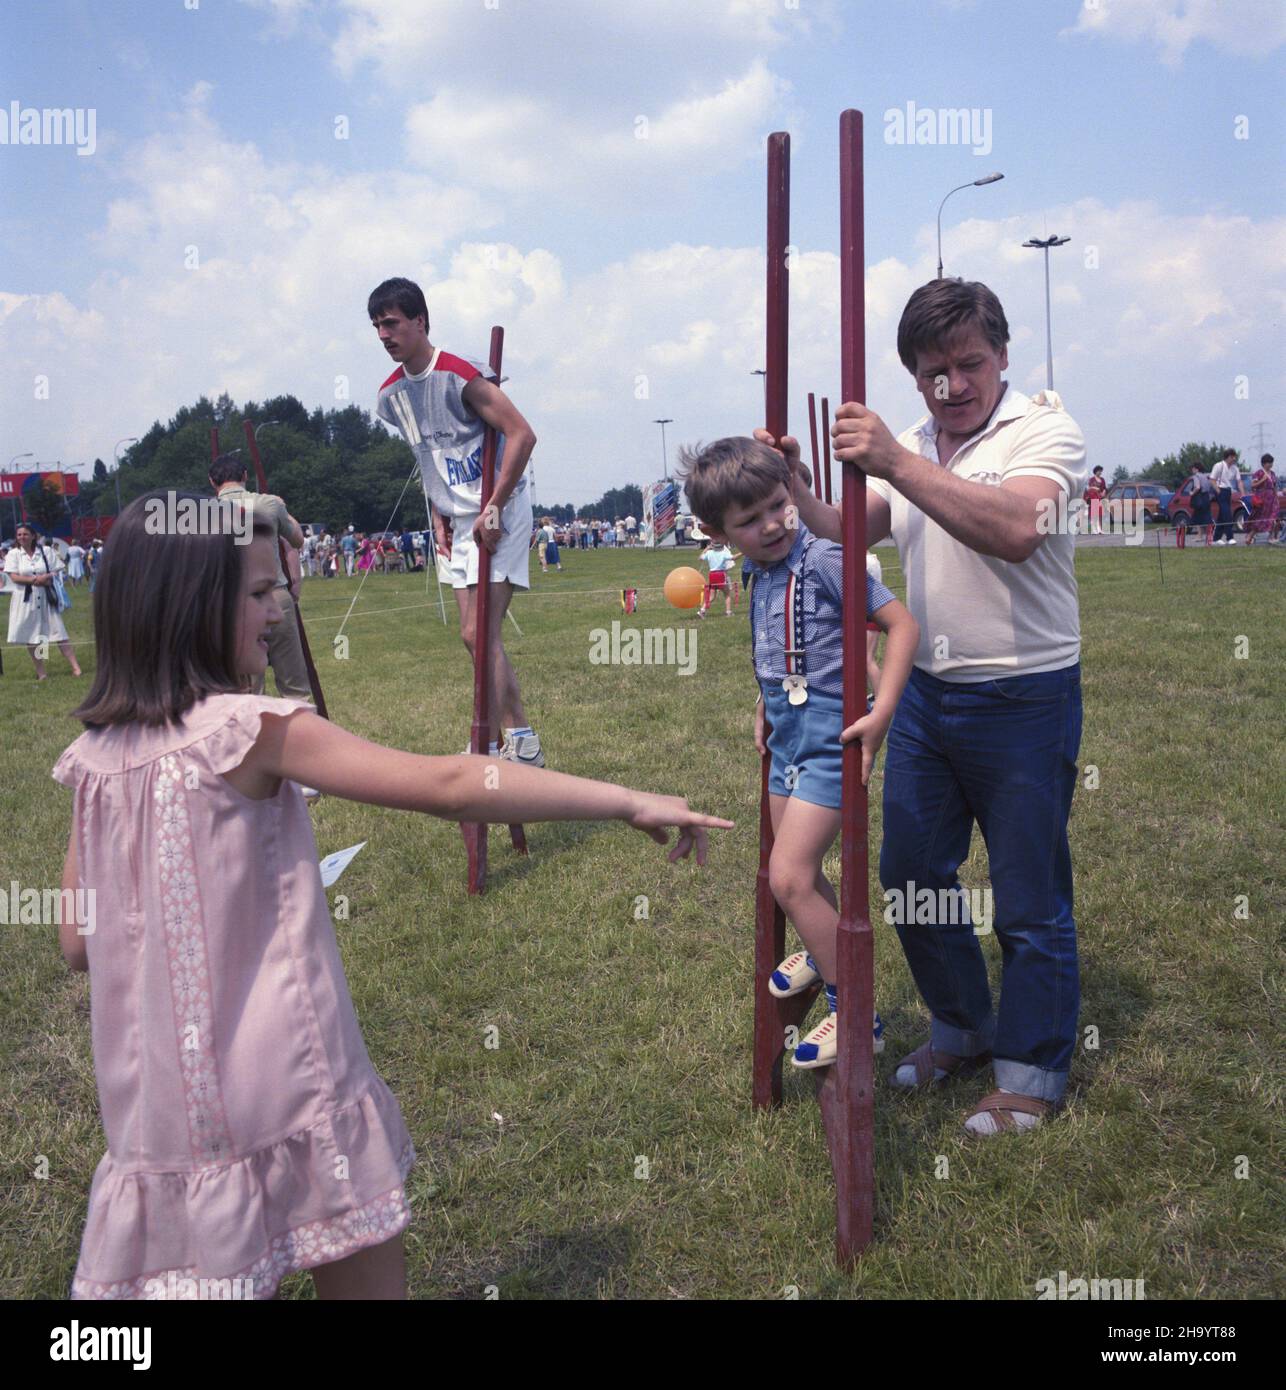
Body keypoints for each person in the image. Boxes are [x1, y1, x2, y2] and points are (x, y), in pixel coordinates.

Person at [51, 493, 733, 1301]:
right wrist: (624, 799)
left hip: (164, 1116)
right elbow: (452, 782)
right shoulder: (252, 727)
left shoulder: (93, 761)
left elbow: (76, 942)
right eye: (261, 593)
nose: (280, 611)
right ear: (188, 606)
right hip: (291, 1084)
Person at [764, 277, 1089, 1135]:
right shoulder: (911, 443)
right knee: (908, 878)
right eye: (933, 372)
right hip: (926, 699)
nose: (953, 386)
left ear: (1002, 354)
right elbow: (848, 529)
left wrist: (898, 463)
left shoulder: (1044, 429)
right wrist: (800, 488)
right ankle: (962, 1028)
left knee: (1027, 894)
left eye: (969, 363)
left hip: (1025, 691)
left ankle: (1034, 1067)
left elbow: (1019, 530)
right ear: (914, 377)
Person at [679, 438, 918, 1070]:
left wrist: (882, 710)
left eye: (779, 505)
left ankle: (857, 1010)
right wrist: (767, 699)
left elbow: (902, 627)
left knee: (788, 875)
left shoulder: (829, 560)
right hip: (787, 737)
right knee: (800, 877)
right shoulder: (758, 571)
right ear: (715, 533)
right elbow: (790, 642)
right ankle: (822, 950)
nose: (772, 524)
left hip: (830, 743)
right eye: (749, 520)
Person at [370, 277, 543, 766]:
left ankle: (512, 740)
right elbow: (429, 457)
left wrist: (494, 505)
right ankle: (507, 740)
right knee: (473, 635)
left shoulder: (461, 374)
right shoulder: (390, 398)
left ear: (420, 321)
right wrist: (437, 511)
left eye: (392, 323)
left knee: (477, 632)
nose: (384, 335)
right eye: (377, 327)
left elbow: (522, 435)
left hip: (500, 510)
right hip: (459, 517)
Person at [209, 453, 311, 705]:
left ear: (213, 481)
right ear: (245, 476)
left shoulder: (203, 513)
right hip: (275, 594)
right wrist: (283, 510)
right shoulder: (269, 504)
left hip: (233, 601)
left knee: (247, 691)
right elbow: (297, 540)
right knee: (295, 686)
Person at [4, 521, 82, 680]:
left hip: (46, 597)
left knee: (59, 632)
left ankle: (76, 668)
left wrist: (47, 577)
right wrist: (35, 580)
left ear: (33, 536)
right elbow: (13, 576)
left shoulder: (46, 551)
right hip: (26, 599)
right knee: (33, 636)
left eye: (25, 534)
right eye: (19, 534)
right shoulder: (13, 554)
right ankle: (42, 673)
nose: (22, 537)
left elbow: (56, 570)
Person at [697, 536, 736, 617]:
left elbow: (700, 558)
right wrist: (743, 553)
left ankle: (702, 610)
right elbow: (734, 558)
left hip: (712, 575)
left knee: (712, 597)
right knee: (727, 594)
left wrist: (707, 548)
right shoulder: (724, 553)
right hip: (720, 574)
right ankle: (728, 612)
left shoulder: (709, 553)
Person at [1245, 453, 1278, 545]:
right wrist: (1262, 480)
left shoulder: (1273, 474)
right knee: (1260, 519)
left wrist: (1276, 498)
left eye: (1271, 462)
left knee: (1273, 518)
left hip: (1272, 499)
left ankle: (1271, 537)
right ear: (1264, 463)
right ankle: (1250, 536)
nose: (1271, 464)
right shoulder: (1259, 473)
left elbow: (1275, 486)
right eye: (1269, 462)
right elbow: (1253, 485)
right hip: (1262, 500)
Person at [1211, 447, 1241, 545]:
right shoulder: (1219, 465)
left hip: (1228, 491)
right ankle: (1230, 537)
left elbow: (1239, 481)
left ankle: (1216, 539)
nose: (1234, 459)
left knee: (1222, 515)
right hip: (1220, 490)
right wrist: (1218, 490)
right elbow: (1212, 479)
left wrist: (1243, 493)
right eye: (1232, 457)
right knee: (1227, 513)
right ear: (1228, 457)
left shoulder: (1235, 468)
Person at [1188, 463, 1215, 537]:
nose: (1192, 470)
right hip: (1206, 497)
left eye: (1193, 469)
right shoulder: (1205, 476)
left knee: (1197, 517)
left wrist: (1192, 493)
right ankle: (1210, 534)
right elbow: (1209, 487)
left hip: (1200, 498)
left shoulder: (1196, 476)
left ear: (1197, 469)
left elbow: (1197, 487)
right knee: (1207, 516)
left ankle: (1199, 535)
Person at [1084, 464, 1106, 534]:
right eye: (1099, 471)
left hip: (1100, 497)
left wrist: (1103, 493)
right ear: (1095, 471)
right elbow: (1089, 488)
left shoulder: (1102, 479)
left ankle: (1099, 529)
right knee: (1094, 514)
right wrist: (1095, 488)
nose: (1100, 472)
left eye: (1101, 471)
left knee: (1099, 514)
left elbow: (1104, 488)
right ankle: (1094, 529)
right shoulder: (1091, 479)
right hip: (1093, 497)